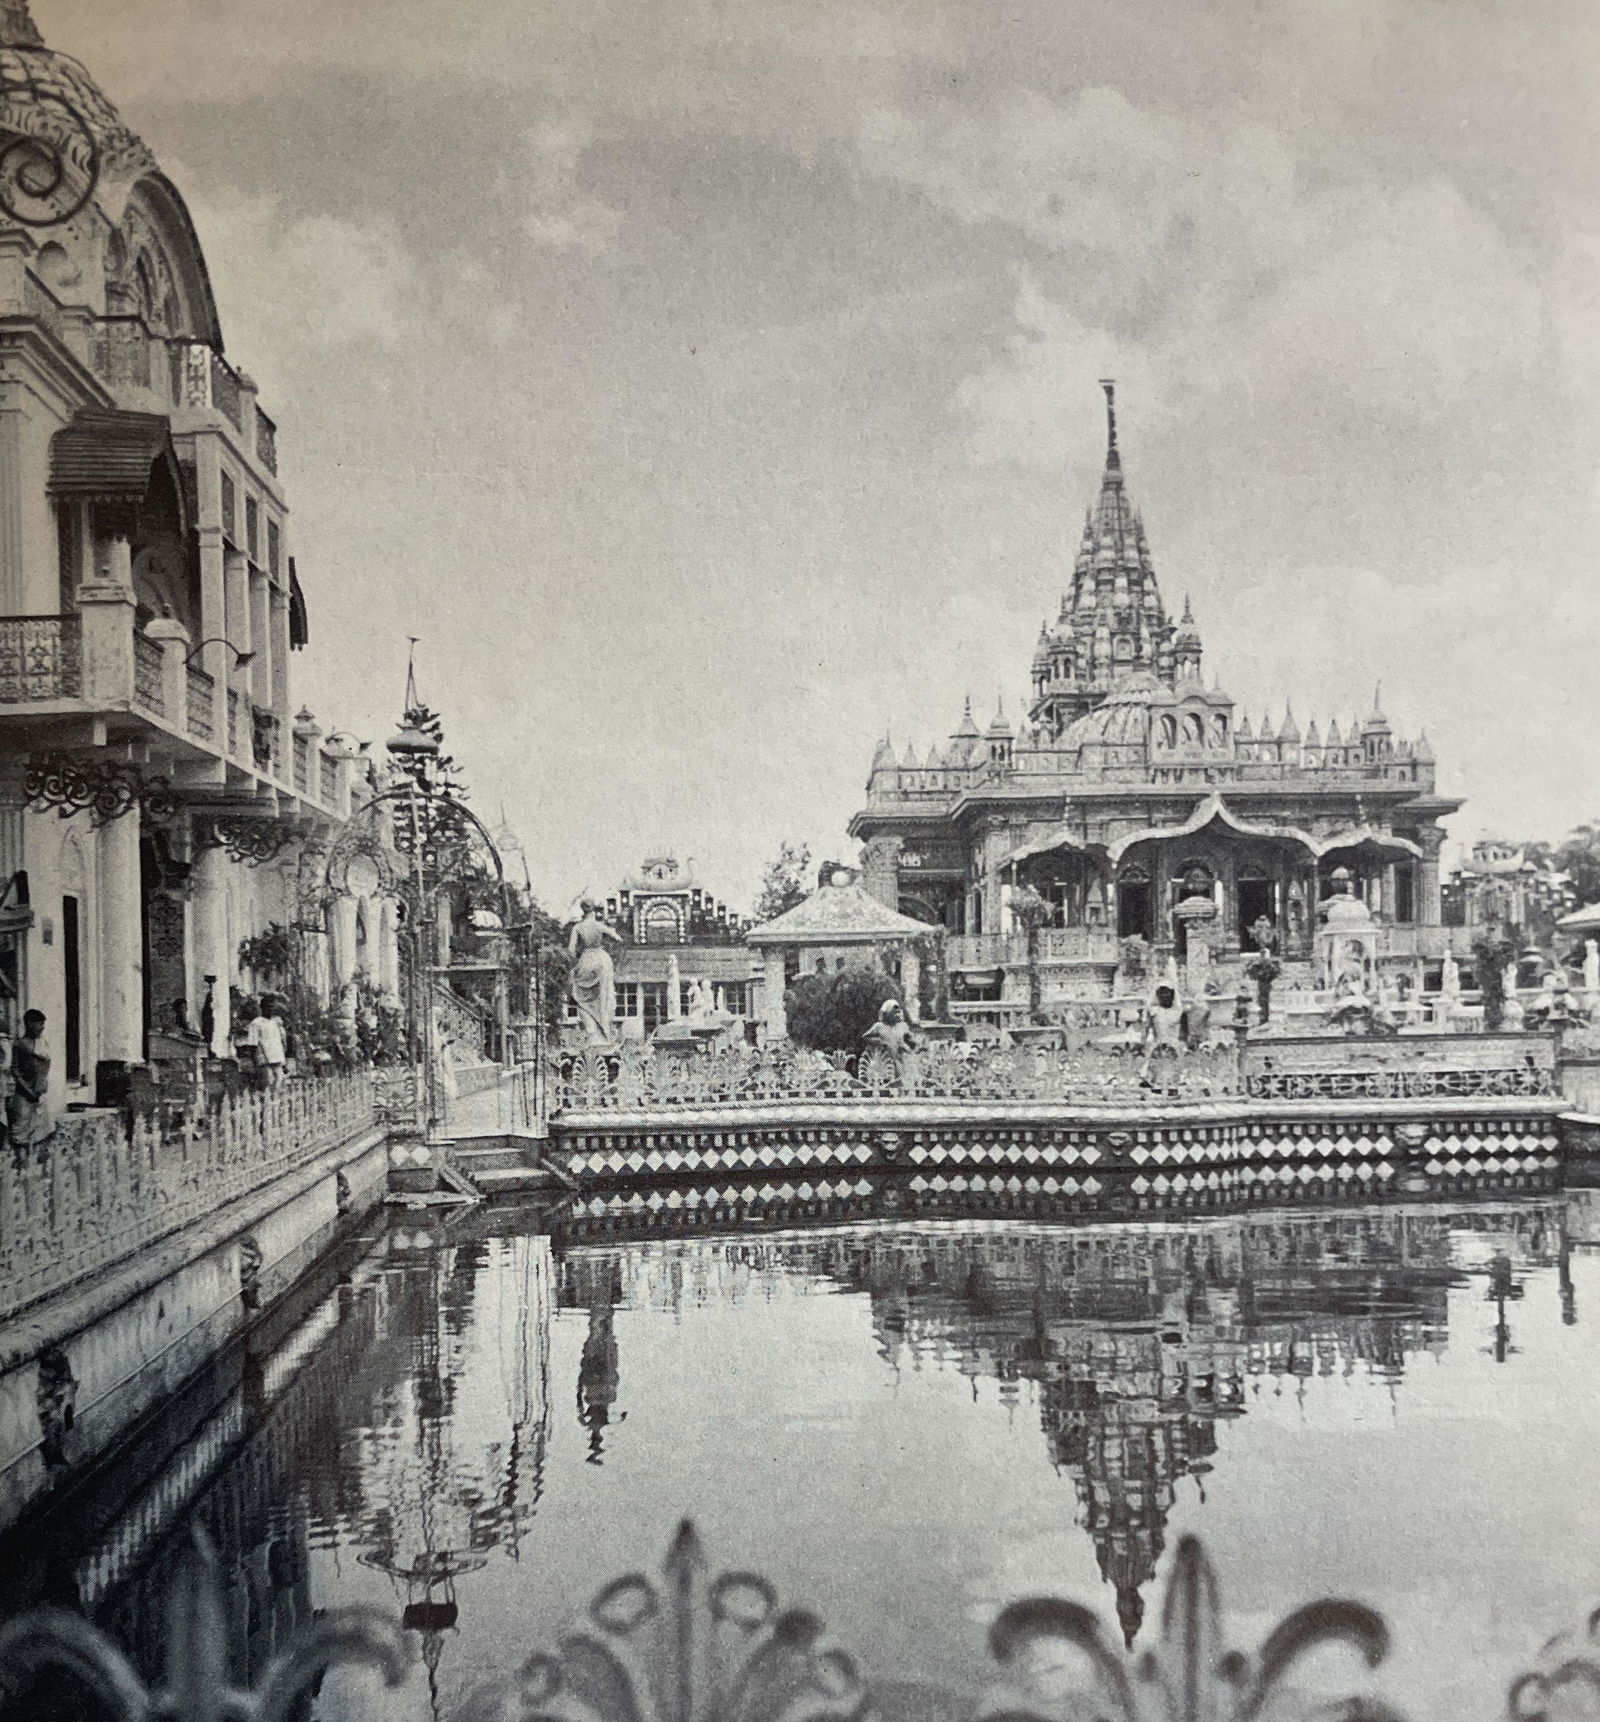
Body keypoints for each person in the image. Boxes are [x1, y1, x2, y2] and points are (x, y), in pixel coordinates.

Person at [568, 900, 622, 1044]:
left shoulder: (577, 927)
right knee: (604, 997)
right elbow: (618, 938)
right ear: (593, 911)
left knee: (583, 999)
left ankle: (592, 1033)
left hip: (586, 959)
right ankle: (605, 1033)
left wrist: (576, 963)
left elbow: (571, 950)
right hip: (602, 960)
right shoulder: (599, 925)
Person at [8, 1009, 52, 1145]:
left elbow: (44, 1067)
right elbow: (15, 1070)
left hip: (39, 1094)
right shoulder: (20, 1044)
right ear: (29, 1024)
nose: (42, 1027)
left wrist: (41, 1087)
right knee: (20, 1135)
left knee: (43, 1133)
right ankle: (21, 1164)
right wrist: (28, 1091)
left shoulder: (42, 1043)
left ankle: (35, 1164)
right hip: (25, 1095)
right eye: (39, 1024)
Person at [244, 995, 288, 1089]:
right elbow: (253, 1043)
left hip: (277, 1058)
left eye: (272, 1007)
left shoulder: (275, 1022)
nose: (271, 1009)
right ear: (262, 1008)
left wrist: (283, 1061)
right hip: (264, 1059)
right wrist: (254, 1062)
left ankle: (276, 1101)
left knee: (279, 1080)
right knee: (268, 1082)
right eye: (268, 1007)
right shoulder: (256, 1023)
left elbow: (279, 1042)